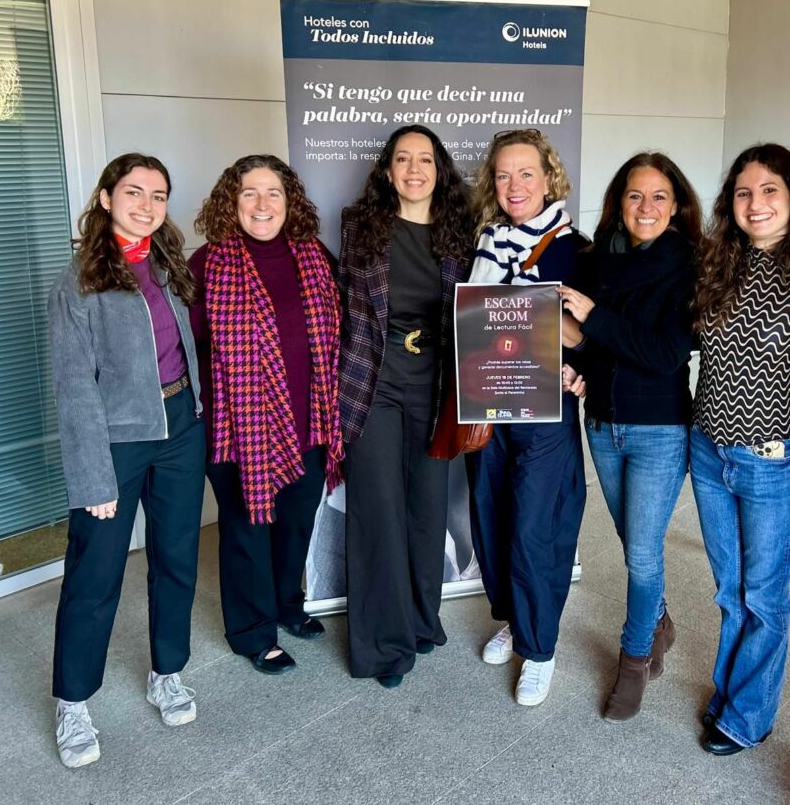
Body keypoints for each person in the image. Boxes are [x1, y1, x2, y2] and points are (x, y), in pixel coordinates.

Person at [48, 153, 205, 768]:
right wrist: (92, 476)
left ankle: (167, 672)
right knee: (96, 574)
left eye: (158, 195)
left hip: (180, 430)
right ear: (108, 197)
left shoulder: (168, 264)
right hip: (116, 441)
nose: (147, 205)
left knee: (177, 561)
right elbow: (74, 388)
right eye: (134, 192)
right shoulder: (80, 280)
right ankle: (73, 700)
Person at [556, 152, 700, 721]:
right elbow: (599, 347)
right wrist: (575, 365)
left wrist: (593, 319)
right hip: (603, 423)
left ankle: (634, 658)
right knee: (630, 541)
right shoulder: (598, 262)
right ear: (619, 202)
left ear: (676, 206)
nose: (646, 207)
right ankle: (658, 621)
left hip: (660, 430)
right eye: (635, 196)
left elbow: (665, 353)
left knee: (642, 554)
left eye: (659, 197)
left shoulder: (689, 265)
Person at [189, 154, 343, 676]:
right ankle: (252, 632)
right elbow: (187, 349)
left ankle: (285, 604)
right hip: (239, 429)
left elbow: (337, 332)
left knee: (296, 522)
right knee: (247, 529)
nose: (262, 204)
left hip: (309, 421)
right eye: (249, 193)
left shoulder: (315, 255)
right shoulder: (207, 264)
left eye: (273, 193)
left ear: (290, 201)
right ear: (231, 202)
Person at [687, 144, 790, 754]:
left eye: (770, 191)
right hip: (709, 451)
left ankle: (746, 716)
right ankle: (732, 693)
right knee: (728, 588)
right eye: (744, 192)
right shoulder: (718, 262)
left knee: (763, 595)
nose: (756, 203)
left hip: (770, 457)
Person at [338, 125, 474, 687]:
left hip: (438, 385)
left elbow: (483, 312)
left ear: (439, 170)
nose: (414, 169)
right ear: (387, 170)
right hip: (373, 381)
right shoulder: (361, 226)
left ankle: (420, 620)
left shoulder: (462, 234)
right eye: (402, 159)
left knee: (426, 509)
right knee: (378, 511)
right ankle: (382, 647)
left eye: (425, 159)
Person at [467, 128, 587, 706]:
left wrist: (532, 306)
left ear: (549, 179)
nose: (514, 186)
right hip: (491, 399)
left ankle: (539, 649)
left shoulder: (574, 248)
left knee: (537, 527)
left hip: (546, 407)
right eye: (503, 175)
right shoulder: (485, 242)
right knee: (492, 516)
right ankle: (512, 619)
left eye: (526, 174)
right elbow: (470, 323)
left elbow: (585, 337)